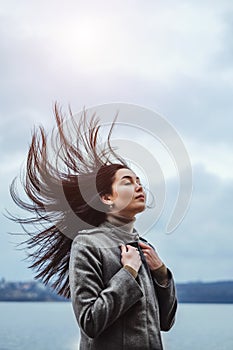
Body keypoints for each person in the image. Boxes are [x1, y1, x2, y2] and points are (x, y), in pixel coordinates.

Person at [9, 104, 177, 349]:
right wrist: (128, 273)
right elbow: (90, 321)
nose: (139, 187)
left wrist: (162, 273)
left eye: (139, 181)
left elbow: (166, 322)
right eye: (128, 182)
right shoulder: (89, 243)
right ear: (107, 198)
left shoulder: (145, 249)